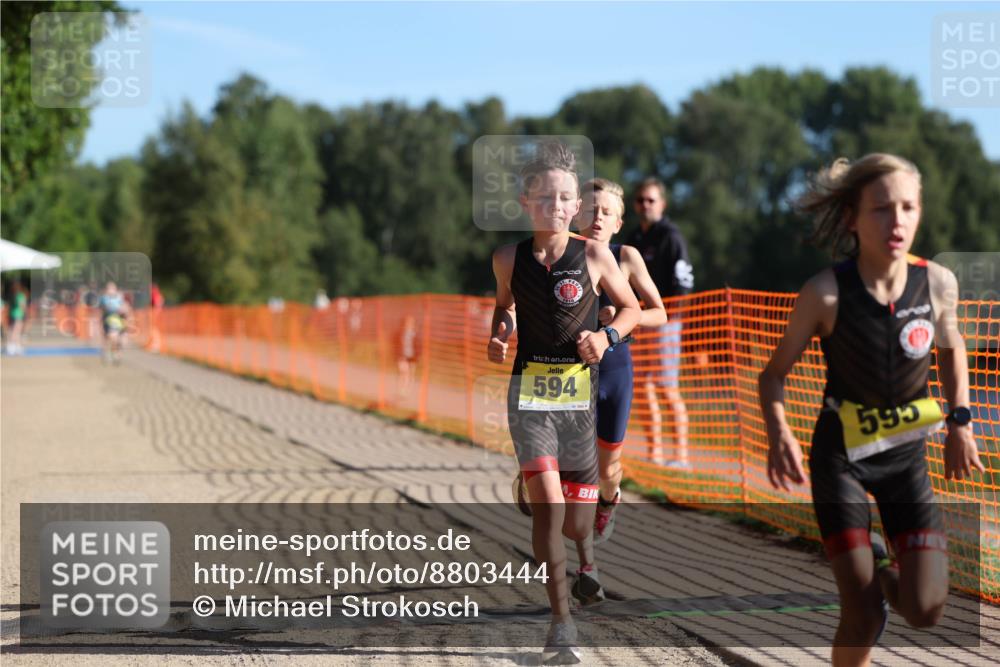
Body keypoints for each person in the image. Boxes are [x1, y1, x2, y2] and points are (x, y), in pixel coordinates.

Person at [758, 154, 984, 667]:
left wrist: (960, 421)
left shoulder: (938, 283)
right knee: (860, 613)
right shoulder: (826, 293)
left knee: (925, 609)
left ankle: (883, 564)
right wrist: (780, 434)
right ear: (853, 218)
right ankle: (871, 580)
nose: (897, 221)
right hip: (841, 458)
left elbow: (952, 351)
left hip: (906, 459)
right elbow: (773, 374)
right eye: (882, 209)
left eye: (908, 207)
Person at [488, 142, 640, 663]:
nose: (556, 205)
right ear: (526, 201)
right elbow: (504, 307)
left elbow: (632, 310)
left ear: (575, 207)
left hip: (580, 402)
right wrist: (500, 332)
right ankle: (561, 625)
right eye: (546, 196)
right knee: (550, 514)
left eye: (566, 197)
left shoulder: (595, 256)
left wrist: (607, 339)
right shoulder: (507, 257)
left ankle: (570, 529)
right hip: (528, 397)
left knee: (578, 525)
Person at [569, 177, 667, 605]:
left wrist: (615, 323)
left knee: (608, 466)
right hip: (570, 374)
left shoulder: (625, 257)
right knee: (579, 469)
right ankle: (586, 567)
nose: (597, 218)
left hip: (614, 374)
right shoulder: (562, 257)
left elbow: (659, 313)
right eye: (590, 210)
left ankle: (610, 500)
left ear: (618, 222)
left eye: (606, 212)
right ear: (575, 213)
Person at [627, 178, 693, 468]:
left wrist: (669, 317)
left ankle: (680, 456)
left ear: (662, 204)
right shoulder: (635, 239)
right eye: (641, 200)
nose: (646, 205)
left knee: (667, 387)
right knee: (642, 386)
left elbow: (684, 282)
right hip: (638, 322)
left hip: (665, 322)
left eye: (651, 200)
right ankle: (654, 452)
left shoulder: (670, 236)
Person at [98, 281, 130, 365]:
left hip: (119, 320)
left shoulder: (120, 298)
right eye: (109, 289)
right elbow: (101, 310)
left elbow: (126, 309)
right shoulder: (104, 299)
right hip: (109, 320)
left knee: (121, 340)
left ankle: (116, 354)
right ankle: (107, 353)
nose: (111, 290)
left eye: (113, 288)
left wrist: (124, 313)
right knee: (109, 338)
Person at [6, 281, 27, 355]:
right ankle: (13, 348)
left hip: (12, 315)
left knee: (12, 331)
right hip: (18, 315)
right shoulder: (20, 295)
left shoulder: (12, 295)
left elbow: (9, 306)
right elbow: (22, 306)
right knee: (16, 332)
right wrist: (25, 314)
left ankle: (15, 347)